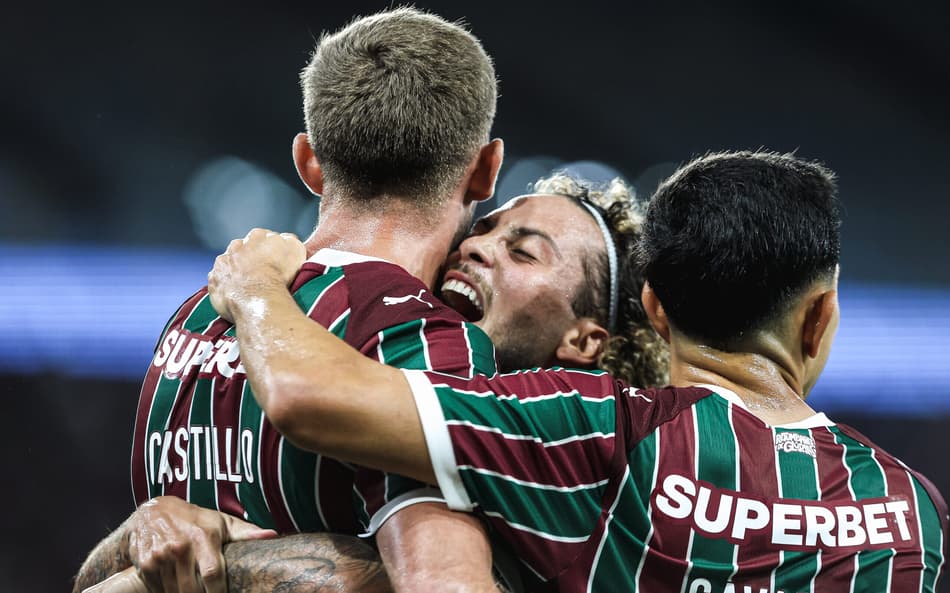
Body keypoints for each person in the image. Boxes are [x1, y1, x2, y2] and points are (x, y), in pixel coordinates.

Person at [207, 150, 947, 592]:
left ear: (652, 309)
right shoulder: (919, 514)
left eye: (524, 249)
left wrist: (255, 286)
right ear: (820, 317)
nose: (477, 248)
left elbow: (309, 394)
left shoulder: (593, 430)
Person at [75, 7, 504, 593]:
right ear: (485, 170)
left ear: (308, 163)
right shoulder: (422, 336)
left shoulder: (197, 315)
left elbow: (140, 566)